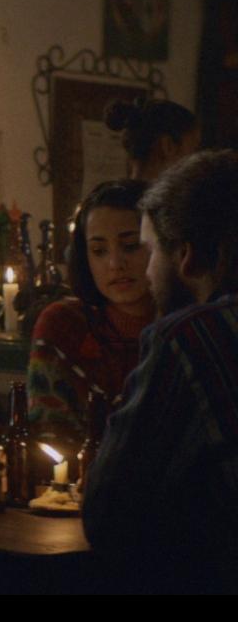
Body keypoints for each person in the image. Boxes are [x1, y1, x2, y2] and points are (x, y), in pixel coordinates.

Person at [83, 150, 238, 593]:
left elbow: (109, 514)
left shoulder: (191, 336)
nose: (145, 271)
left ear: (185, 257)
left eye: (146, 250)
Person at [26, 179, 153, 444]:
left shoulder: (187, 326)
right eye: (99, 250)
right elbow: (49, 438)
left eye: (131, 245)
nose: (115, 263)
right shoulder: (65, 325)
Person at [105, 95, 200, 182]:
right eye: (193, 149)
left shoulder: (110, 193)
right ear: (168, 146)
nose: (194, 161)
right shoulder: (167, 196)